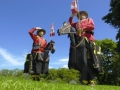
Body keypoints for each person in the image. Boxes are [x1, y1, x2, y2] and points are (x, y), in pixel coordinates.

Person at [68, 11, 96, 86]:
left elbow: (92, 26)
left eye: (83, 14)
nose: (81, 15)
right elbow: (70, 23)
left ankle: (95, 61)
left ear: (86, 15)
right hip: (79, 39)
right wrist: (71, 16)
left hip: (88, 37)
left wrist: (82, 28)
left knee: (90, 47)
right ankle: (83, 78)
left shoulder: (89, 19)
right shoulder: (77, 23)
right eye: (80, 15)